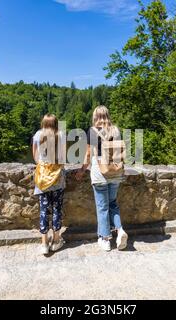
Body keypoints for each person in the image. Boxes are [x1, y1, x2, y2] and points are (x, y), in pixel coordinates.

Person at [76, 106, 128, 252]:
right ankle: (120, 230)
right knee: (113, 203)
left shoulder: (92, 131)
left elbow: (87, 156)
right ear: (107, 115)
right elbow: (120, 153)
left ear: (95, 116)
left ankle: (105, 239)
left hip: (100, 172)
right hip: (115, 172)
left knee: (102, 207)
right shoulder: (116, 130)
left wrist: (81, 170)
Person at [32, 114, 66, 255]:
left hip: (43, 177)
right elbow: (63, 157)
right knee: (57, 209)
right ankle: (56, 241)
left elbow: (35, 156)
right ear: (56, 123)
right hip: (58, 178)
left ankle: (44, 243)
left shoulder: (38, 134)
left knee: (44, 210)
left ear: (43, 123)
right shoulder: (61, 134)